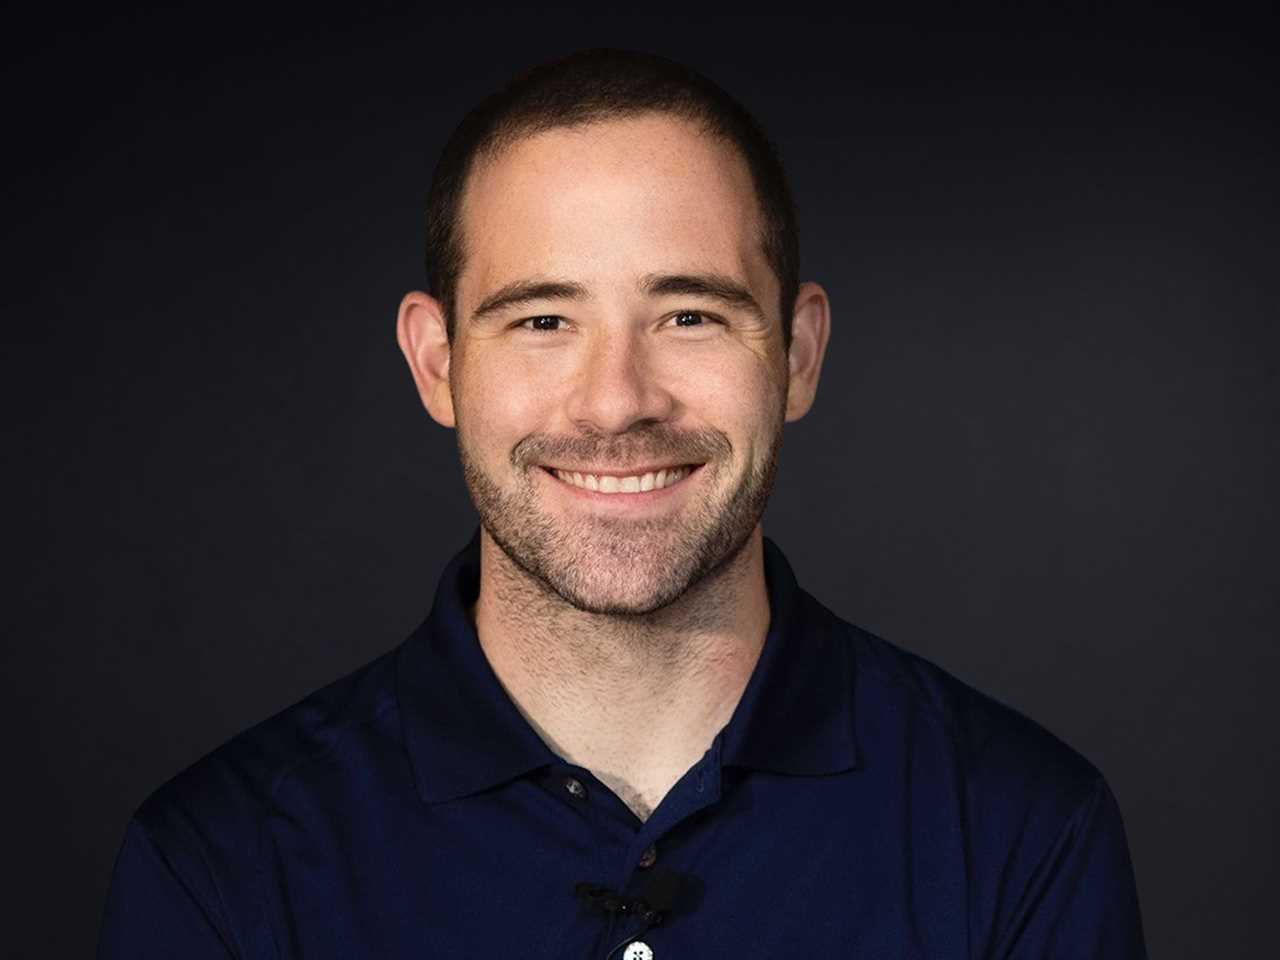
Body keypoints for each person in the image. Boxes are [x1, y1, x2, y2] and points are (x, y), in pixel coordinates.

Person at [98, 49, 1147, 958]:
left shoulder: (1022, 832)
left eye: (688, 314)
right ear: (435, 363)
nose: (616, 402)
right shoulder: (221, 863)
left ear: (796, 352)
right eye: (543, 320)